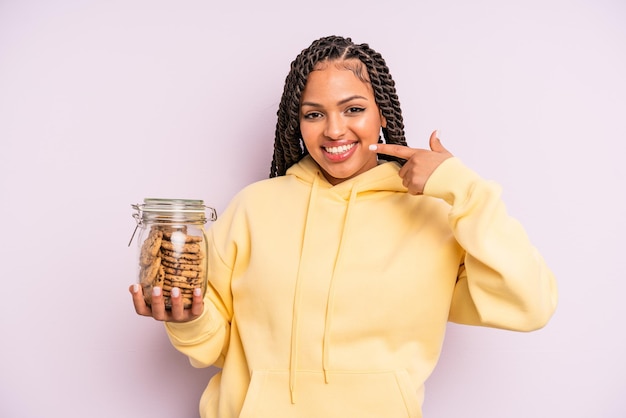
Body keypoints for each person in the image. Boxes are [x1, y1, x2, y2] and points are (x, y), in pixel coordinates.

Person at [130, 35, 558, 418]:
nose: (334, 130)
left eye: (353, 109)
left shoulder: (435, 216)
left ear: (382, 114)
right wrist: (186, 321)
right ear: (296, 124)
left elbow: (529, 305)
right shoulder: (253, 208)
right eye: (314, 114)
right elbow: (218, 346)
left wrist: (463, 188)